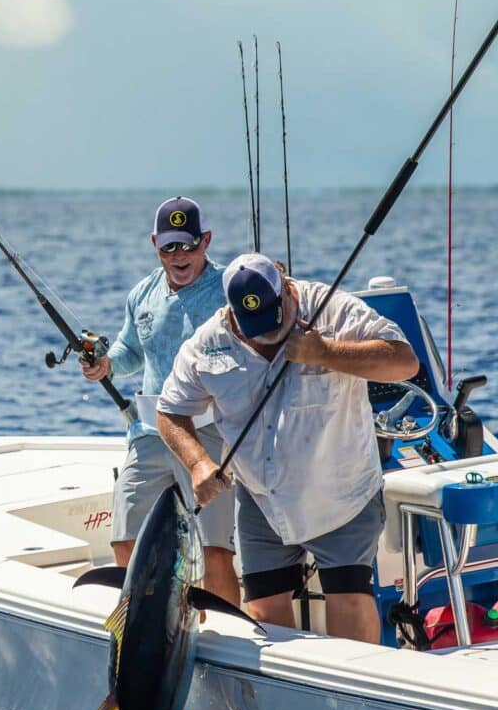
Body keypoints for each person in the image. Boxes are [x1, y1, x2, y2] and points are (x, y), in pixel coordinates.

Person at [156, 252, 419, 643]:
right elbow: (169, 411)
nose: (264, 334)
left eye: (273, 321)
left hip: (340, 493)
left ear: (286, 289)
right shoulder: (209, 342)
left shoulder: (334, 310)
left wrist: (324, 352)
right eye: (252, 328)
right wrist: (197, 464)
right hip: (263, 500)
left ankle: (352, 692)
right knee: (263, 614)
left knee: (347, 597)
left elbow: (404, 362)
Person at [80, 196, 239, 606]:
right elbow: (129, 352)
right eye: (169, 246)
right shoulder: (142, 294)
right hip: (150, 431)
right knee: (125, 538)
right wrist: (104, 365)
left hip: (207, 433)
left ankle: (222, 637)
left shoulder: (228, 290)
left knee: (215, 549)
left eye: (188, 244)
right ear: (155, 244)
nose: (179, 255)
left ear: (206, 241)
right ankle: (144, 624)